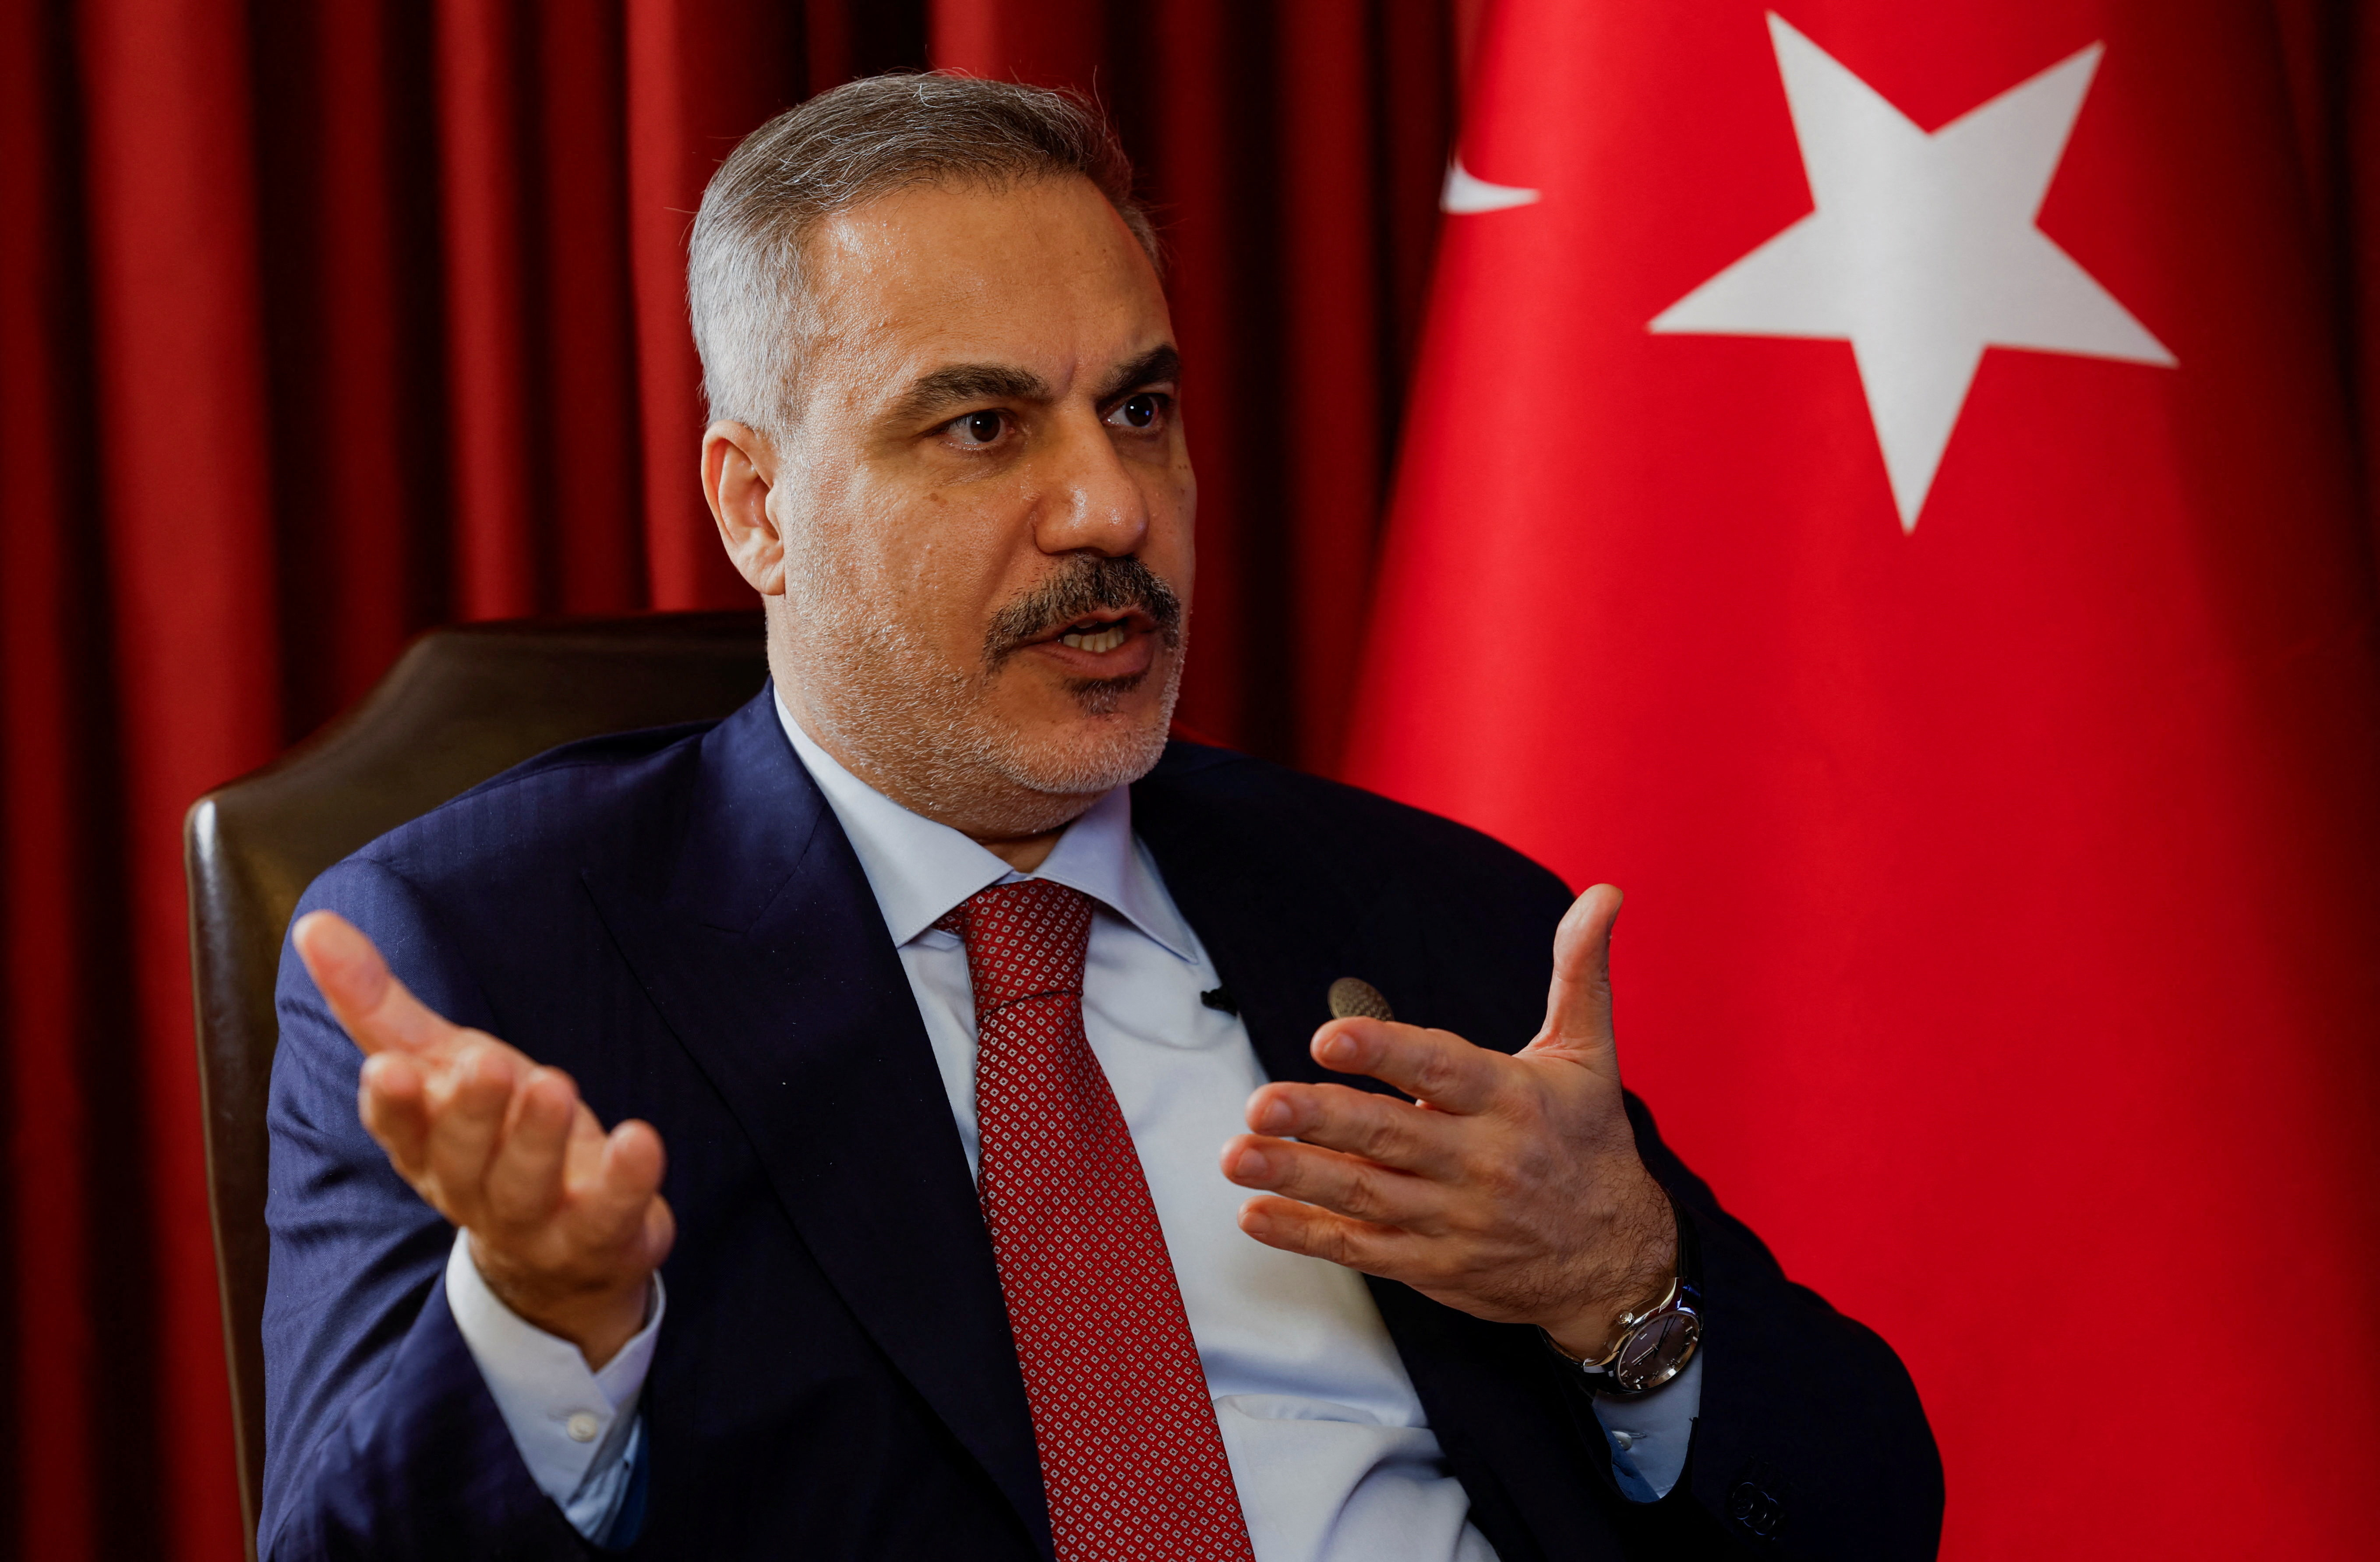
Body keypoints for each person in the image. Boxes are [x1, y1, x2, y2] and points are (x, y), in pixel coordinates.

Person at [260, 73, 1941, 1562]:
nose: (1112, 507)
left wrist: (1617, 1287)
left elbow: (1867, 1517)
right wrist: (545, 1325)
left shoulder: (1430, 918)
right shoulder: (494, 959)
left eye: (1137, 409)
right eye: (983, 427)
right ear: (757, 506)